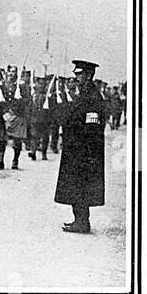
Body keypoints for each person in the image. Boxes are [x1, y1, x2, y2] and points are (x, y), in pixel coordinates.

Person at [55, 60, 107, 233]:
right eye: (76, 74)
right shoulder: (84, 93)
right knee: (77, 185)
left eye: (79, 74)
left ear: (89, 75)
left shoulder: (91, 95)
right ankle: (79, 220)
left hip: (84, 150)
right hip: (77, 147)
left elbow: (92, 125)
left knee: (81, 185)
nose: (76, 77)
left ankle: (82, 222)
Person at [4, 69, 32, 169]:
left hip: (19, 115)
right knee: (2, 138)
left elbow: (28, 99)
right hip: (8, 114)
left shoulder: (22, 85)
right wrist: (5, 111)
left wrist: (20, 101)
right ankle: (0, 159)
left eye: (13, 72)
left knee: (17, 140)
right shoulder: (5, 85)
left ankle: (15, 160)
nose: (11, 74)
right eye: (10, 71)